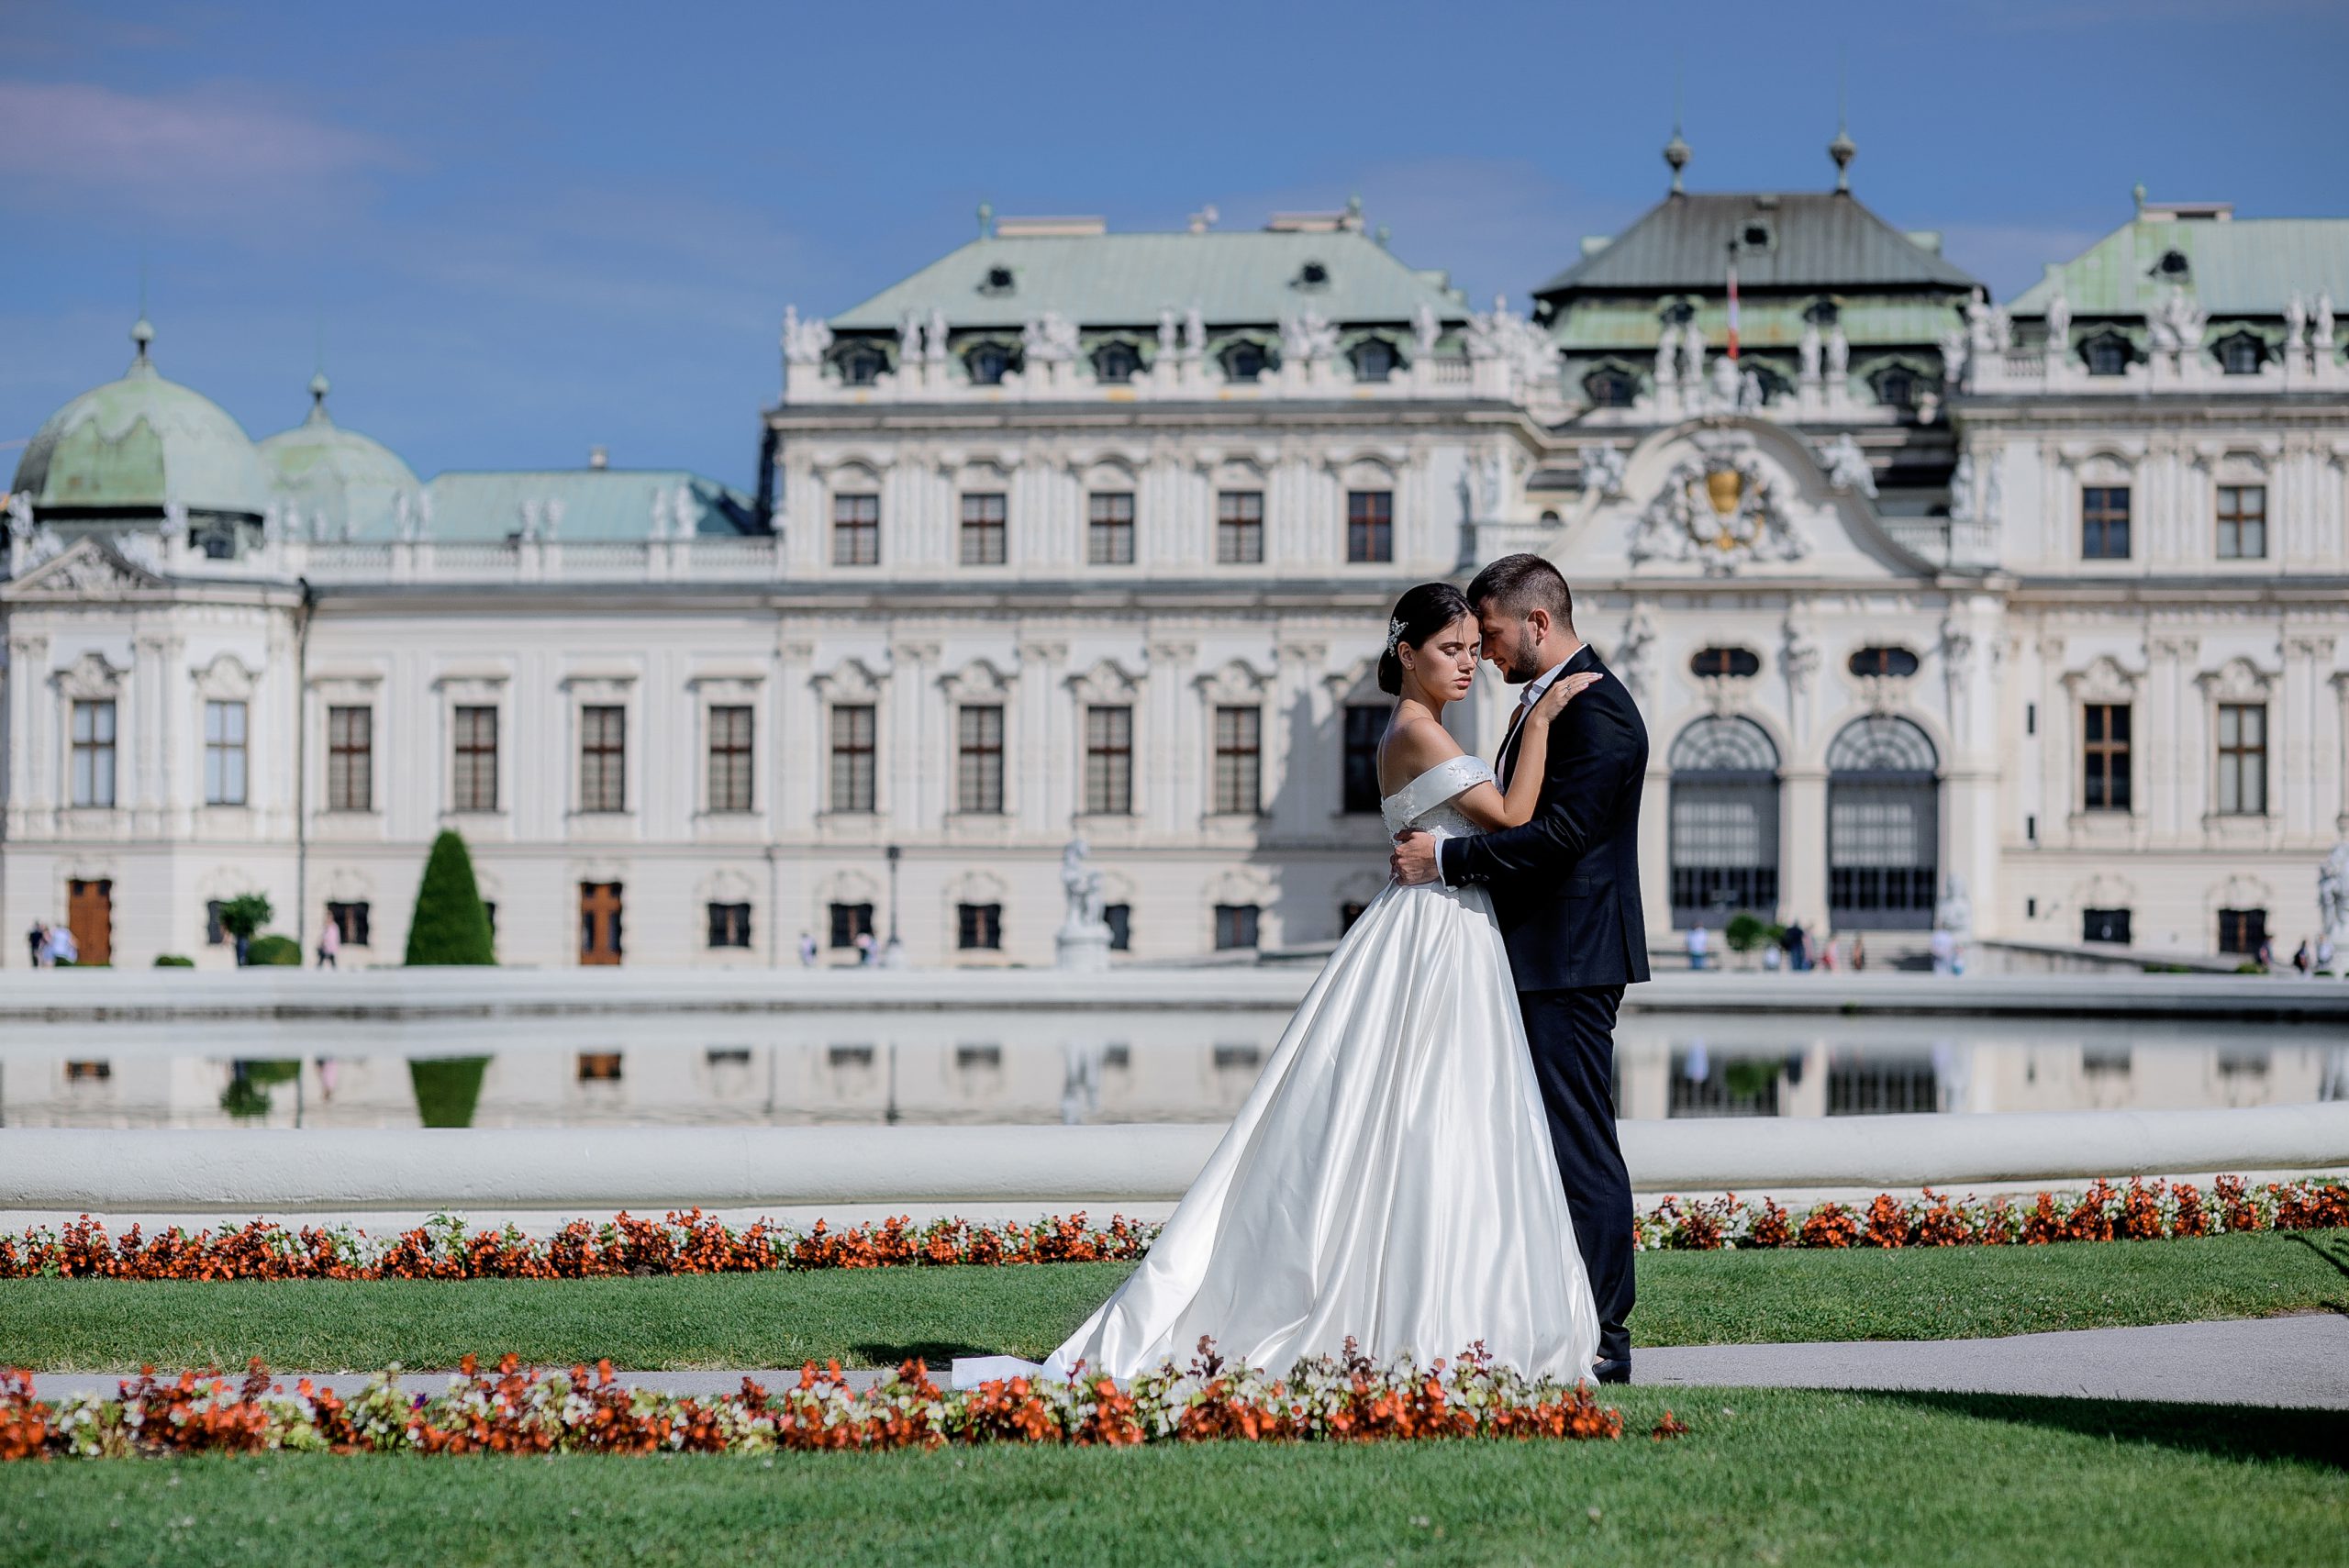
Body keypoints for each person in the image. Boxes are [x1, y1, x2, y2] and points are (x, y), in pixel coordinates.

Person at [973, 577, 1608, 1391]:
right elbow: (1518, 818)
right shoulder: (1419, 734)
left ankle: (1434, 1295)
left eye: (1474, 651)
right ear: (1406, 654)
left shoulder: (1420, 731)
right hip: (1437, 933)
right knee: (1431, 1110)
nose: (1467, 665)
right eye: (1451, 650)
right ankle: (1424, 1300)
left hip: (1443, 928)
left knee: (1430, 1114)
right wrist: (1544, 717)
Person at [1394, 553, 1650, 1384]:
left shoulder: (1597, 708)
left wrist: (1448, 860)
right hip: (1535, 955)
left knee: (1579, 1141)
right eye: (1466, 642)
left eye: (1493, 636)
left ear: (1539, 624)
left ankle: (1605, 1330)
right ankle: (1550, 1308)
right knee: (1537, 1139)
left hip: (1569, 960)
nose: (1485, 654)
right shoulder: (1547, 702)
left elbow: (1559, 838)